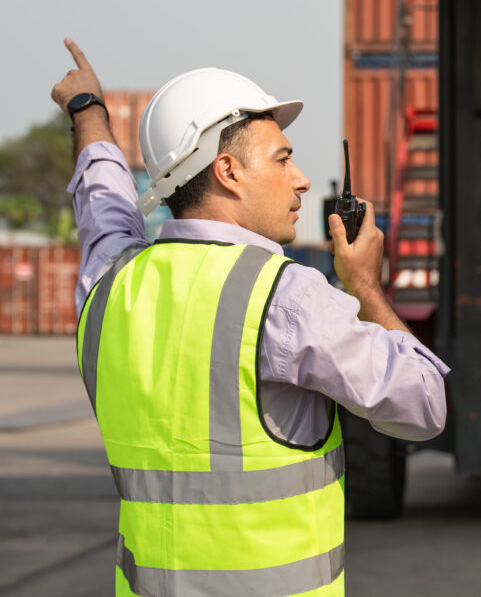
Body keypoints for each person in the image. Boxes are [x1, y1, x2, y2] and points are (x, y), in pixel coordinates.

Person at [51, 38, 449, 596]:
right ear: (229, 171)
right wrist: (366, 288)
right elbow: (423, 405)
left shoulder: (110, 283)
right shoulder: (288, 298)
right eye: (283, 159)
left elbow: (103, 204)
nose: (302, 180)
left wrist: (87, 112)